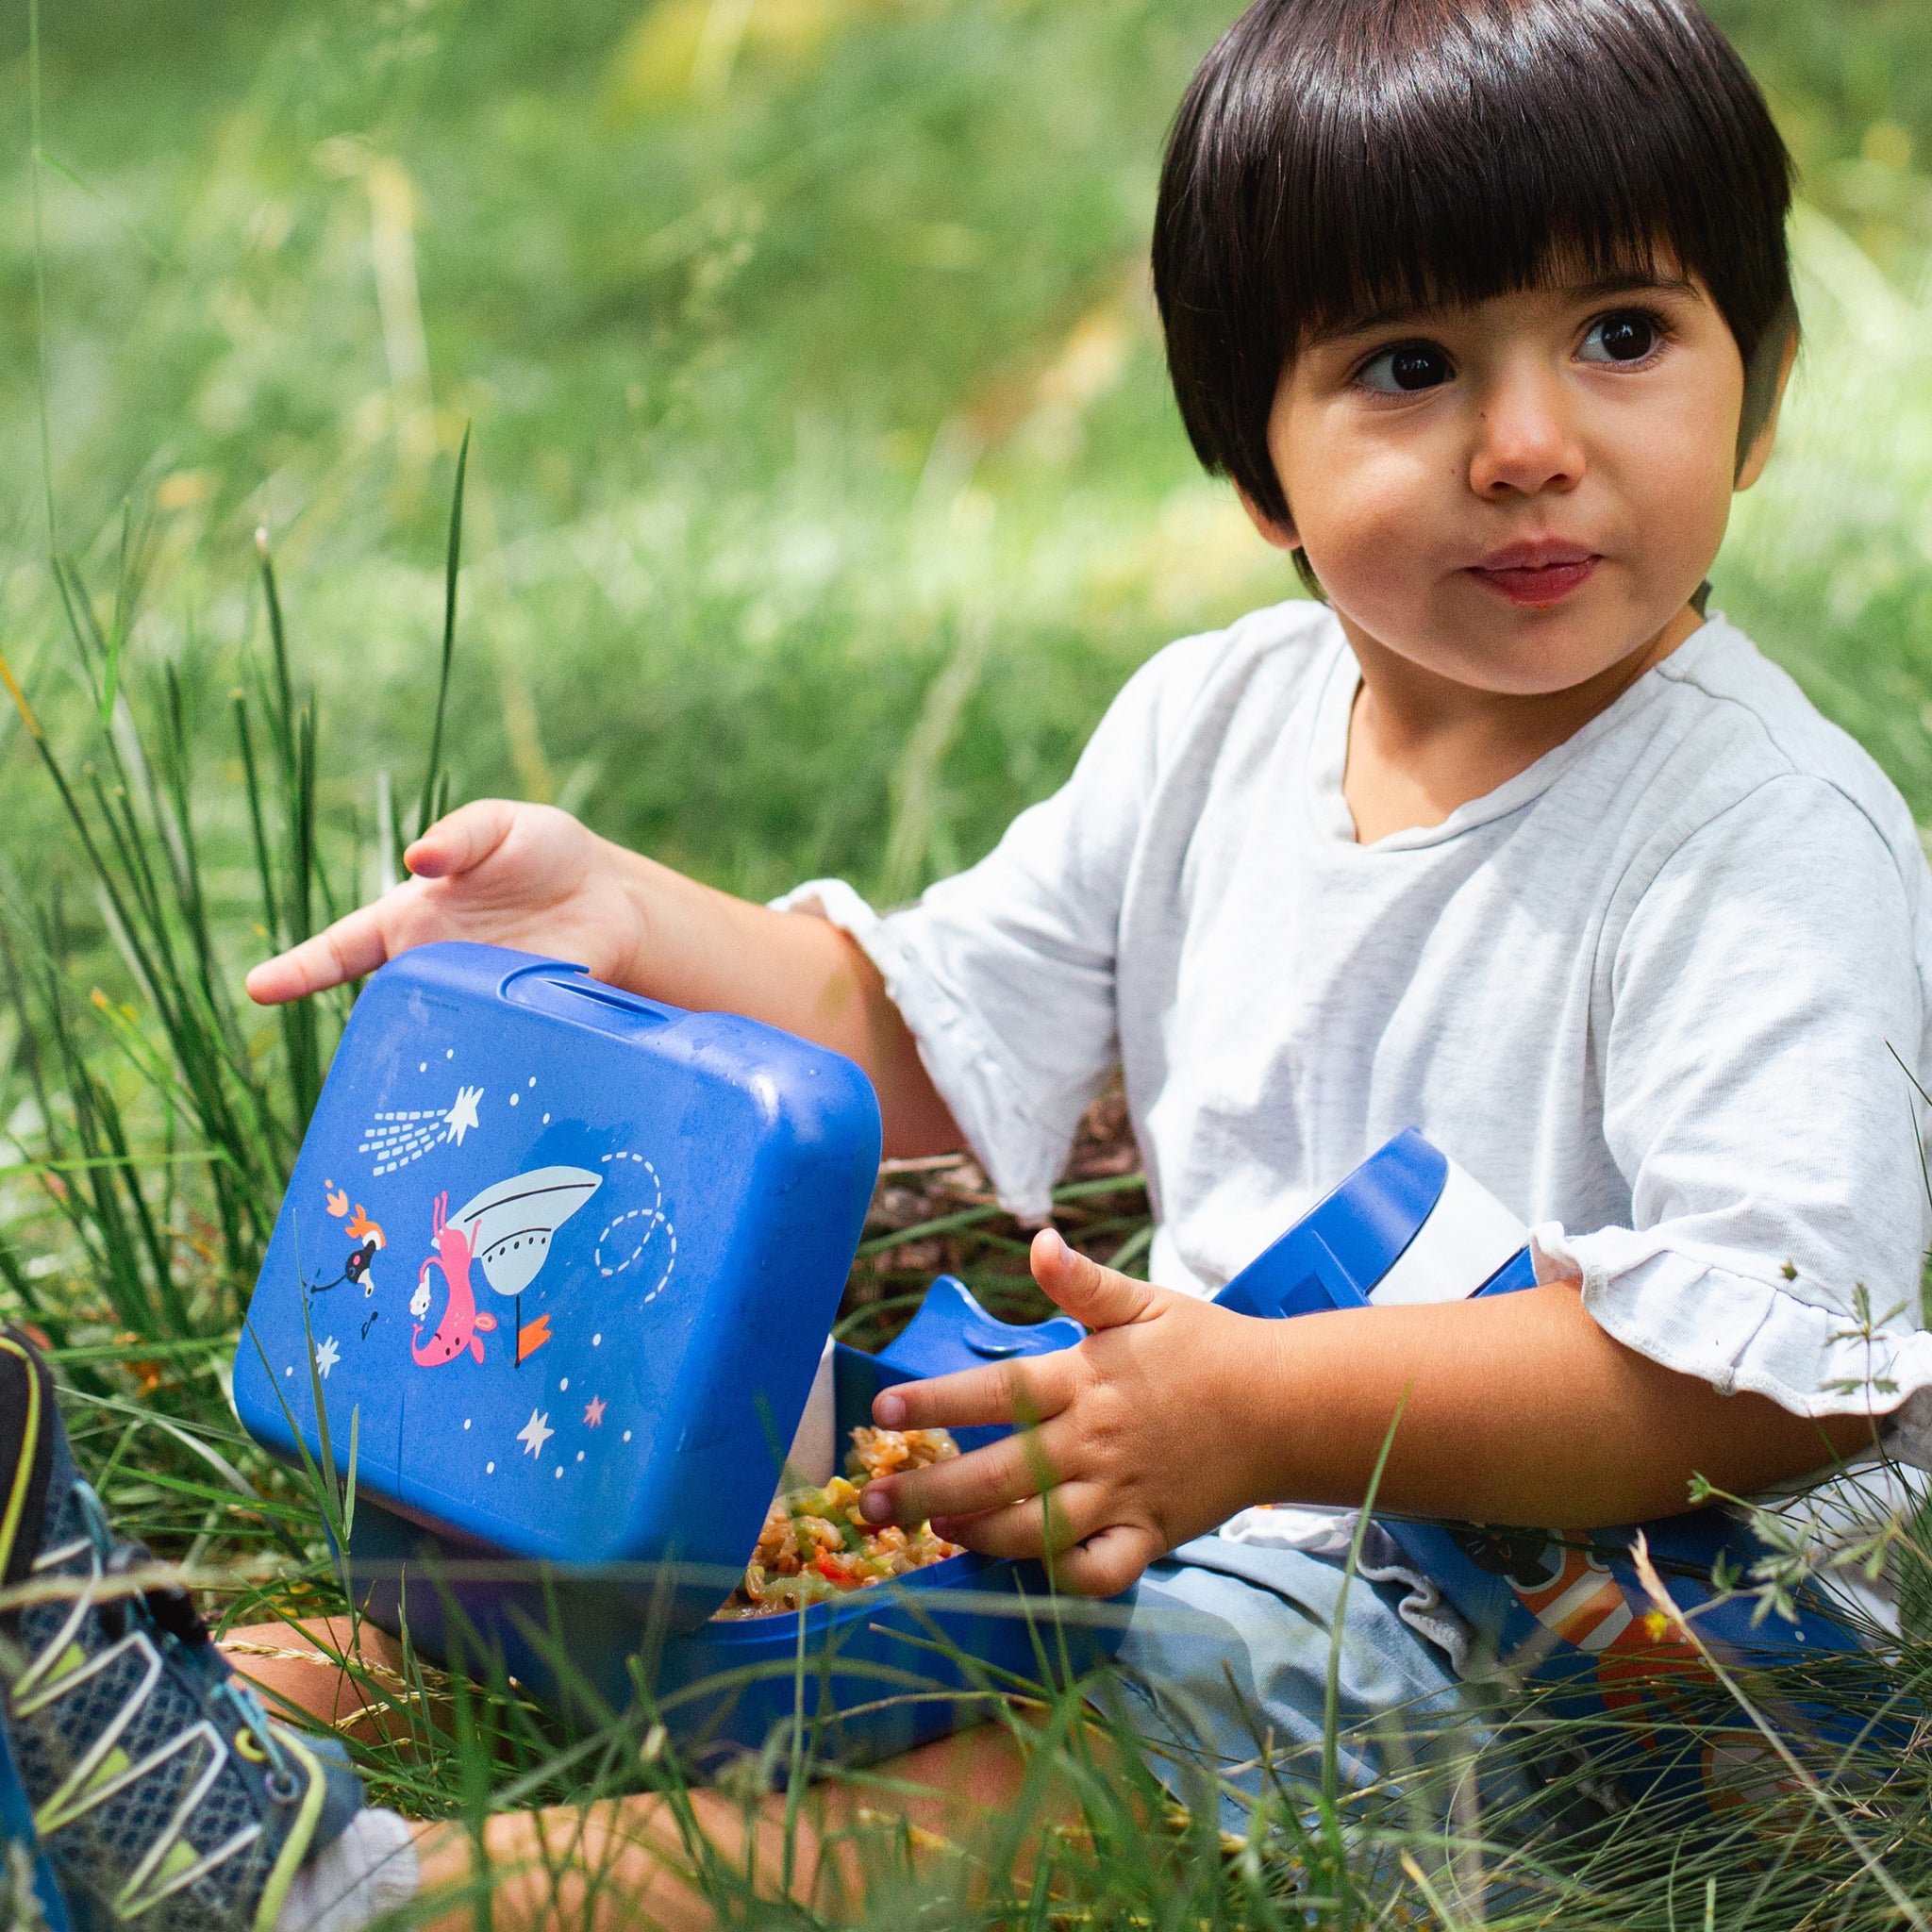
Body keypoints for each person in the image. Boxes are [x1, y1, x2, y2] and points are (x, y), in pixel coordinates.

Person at [14, 0, 1931, 1923]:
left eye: (1622, 334)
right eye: (1411, 365)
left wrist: (1252, 1413)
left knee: (1067, 1766)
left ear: (1756, 390)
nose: (1528, 447)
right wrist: (626, 914)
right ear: (1253, 468)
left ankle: (360, 1894)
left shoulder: (1758, 838)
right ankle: (121, 1722)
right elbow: (930, 1041)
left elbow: (1773, 1378)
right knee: (681, 1525)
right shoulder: (1219, 721)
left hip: (1605, 1637)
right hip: (1200, 1469)